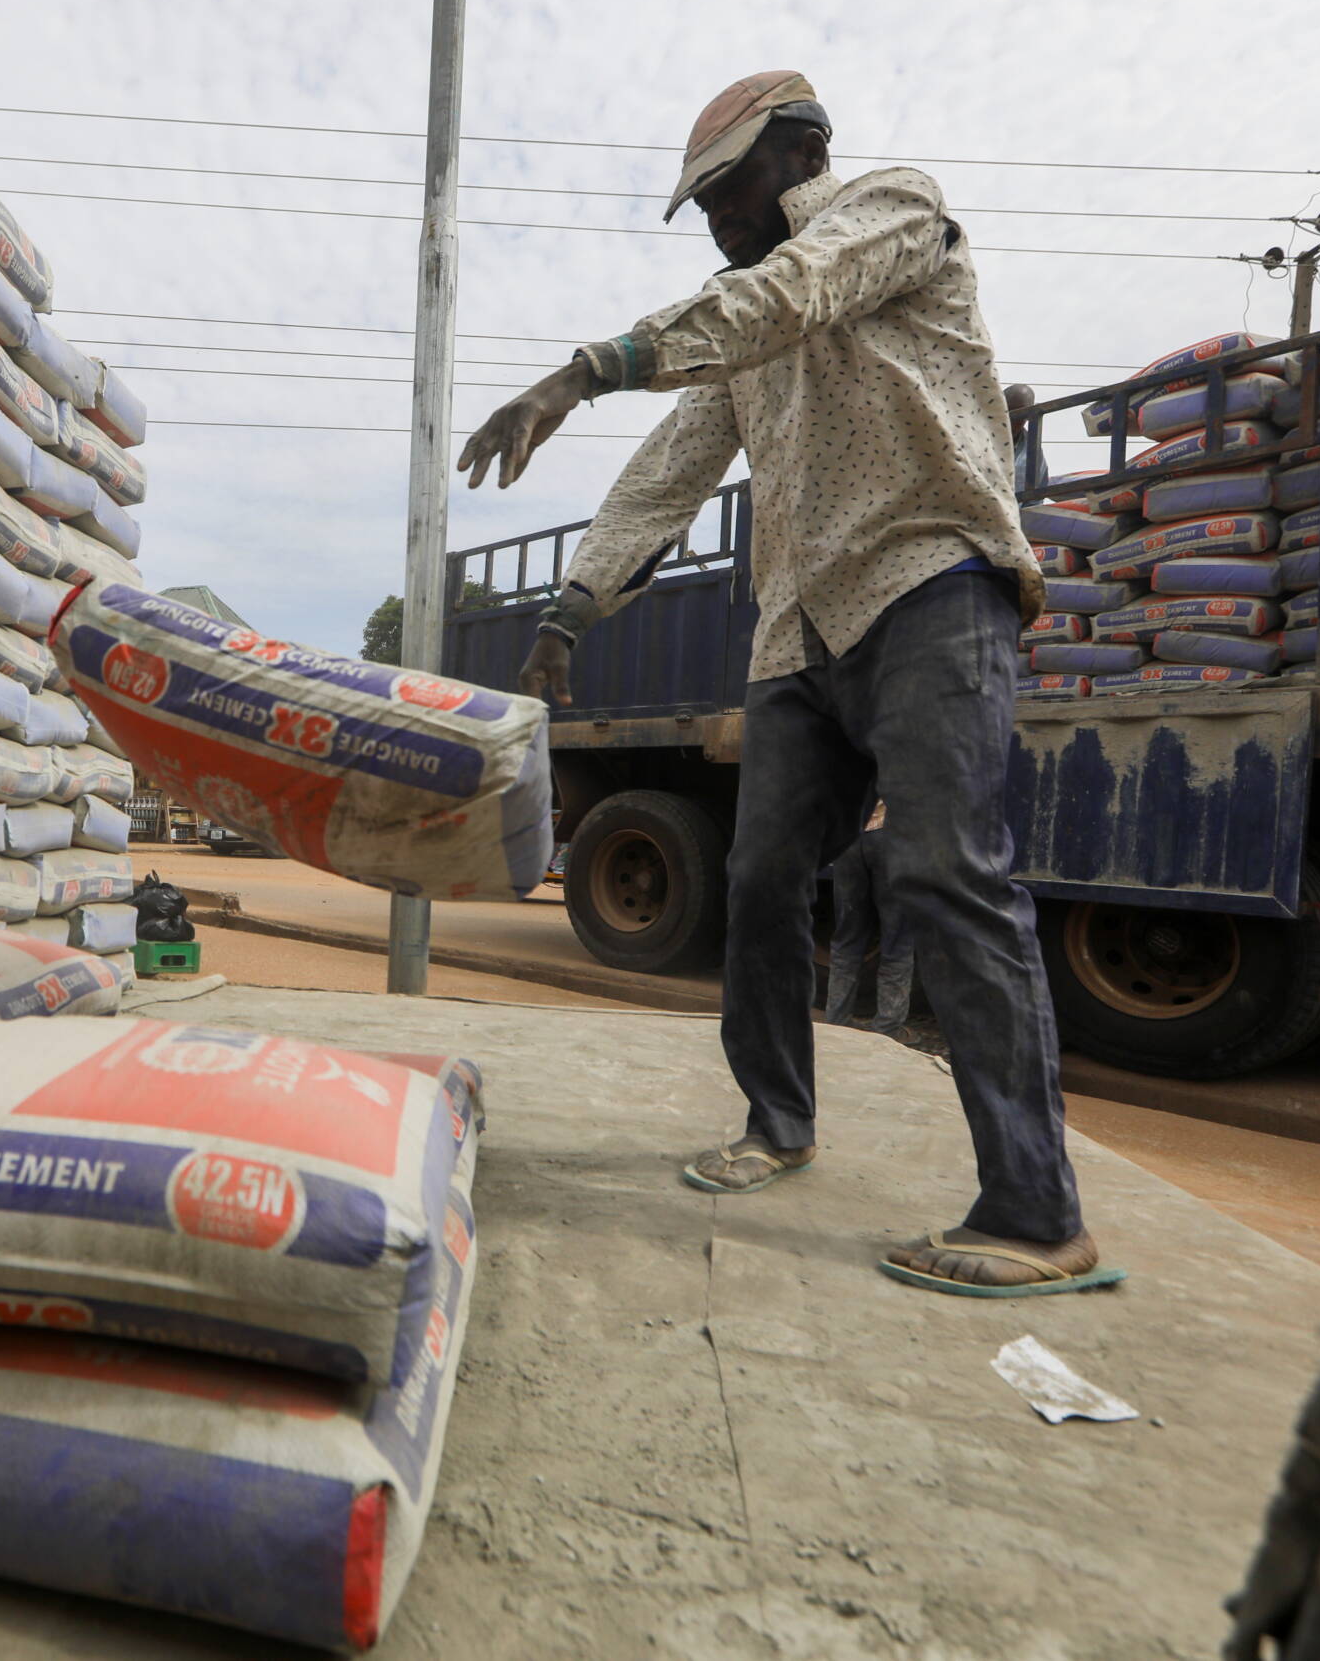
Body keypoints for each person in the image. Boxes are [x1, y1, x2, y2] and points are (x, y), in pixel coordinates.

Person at [456, 70, 1117, 1298]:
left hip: (930, 585)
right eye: (698, 203)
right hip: (800, 630)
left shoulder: (889, 213)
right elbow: (668, 473)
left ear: (801, 151)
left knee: (945, 870)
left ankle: (1034, 1214)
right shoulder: (735, 324)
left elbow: (794, 294)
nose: (713, 219)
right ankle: (776, 1121)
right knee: (760, 875)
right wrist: (566, 612)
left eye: (725, 189)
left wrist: (583, 367)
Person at [825, 800, 914, 1036]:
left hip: (849, 836)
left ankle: (835, 1023)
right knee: (898, 941)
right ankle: (888, 1028)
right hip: (891, 835)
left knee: (847, 938)